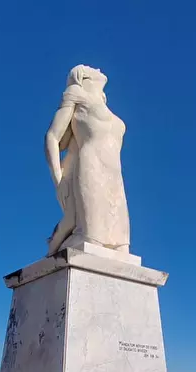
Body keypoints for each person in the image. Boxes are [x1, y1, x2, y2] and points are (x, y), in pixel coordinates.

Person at [44, 65, 131, 256]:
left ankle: (57, 244)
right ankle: (55, 250)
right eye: (90, 67)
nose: (97, 68)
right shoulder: (76, 93)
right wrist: (59, 181)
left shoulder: (106, 108)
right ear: (81, 75)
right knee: (92, 239)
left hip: (115, 177)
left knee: (121, 248)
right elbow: (52, 137)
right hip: (91, 167)